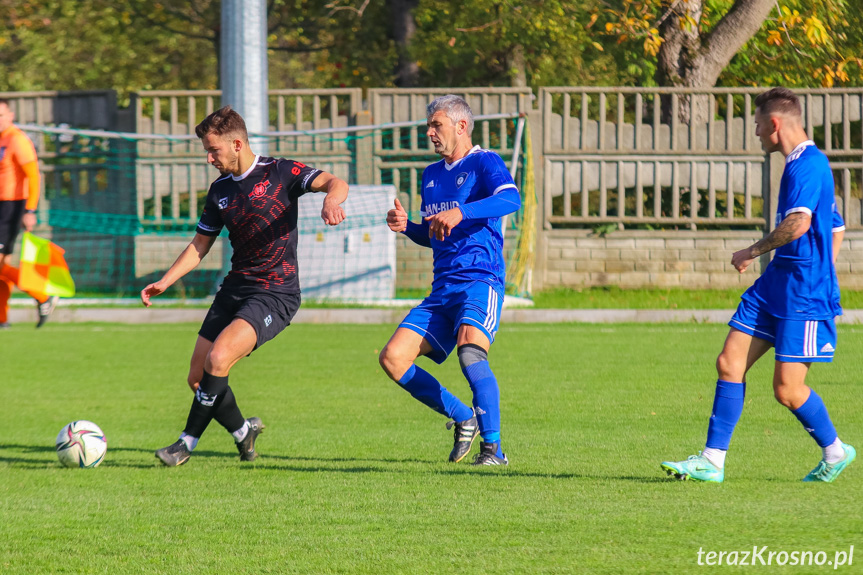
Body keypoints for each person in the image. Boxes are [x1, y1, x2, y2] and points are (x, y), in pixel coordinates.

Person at [661, 87, 855, 483]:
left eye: (756, 125)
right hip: (775, 285)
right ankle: (712, 461)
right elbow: (835, 226)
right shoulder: (804, 164)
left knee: (786, 390)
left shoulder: (806, 165)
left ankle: (835, 450)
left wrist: (753, 251)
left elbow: (800, 222)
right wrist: (821, 262)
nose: (755, 133)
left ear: (774, 124)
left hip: (802, 293)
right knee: (729, 362)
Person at [142, 106, 348, 466]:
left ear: (237, 143)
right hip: (235, 287)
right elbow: (200, 244)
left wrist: (331, 199)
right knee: (198, 377)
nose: (209, 158)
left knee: (218, 359)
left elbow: (335, 182)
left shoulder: (280, 172)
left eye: (214, 150)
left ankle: (184, 444)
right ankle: (242, 432)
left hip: (275, 292)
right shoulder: (219, 190)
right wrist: (166, 280)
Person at [379, 95, 521, 466]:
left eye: (436, 125)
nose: (430, 133)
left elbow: (511, 200)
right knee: (393, 358)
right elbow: (435, 233)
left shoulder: (485, 162)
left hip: (480, 278)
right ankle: (463, 416)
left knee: (470, 352)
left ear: (461, 126)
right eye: (429, 126)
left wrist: (463, 210)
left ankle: (493, 451)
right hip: (443, 289)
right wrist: (407, 228)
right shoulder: (431, 175)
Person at [0, 98, 58, 329]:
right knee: (3, 265)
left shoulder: (18, 139)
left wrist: (30, 210)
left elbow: (33, 176)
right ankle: (2, 318)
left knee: (2, 265)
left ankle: (42, 295)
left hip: (11, 207)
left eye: (1, 115)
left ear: (10, 115)